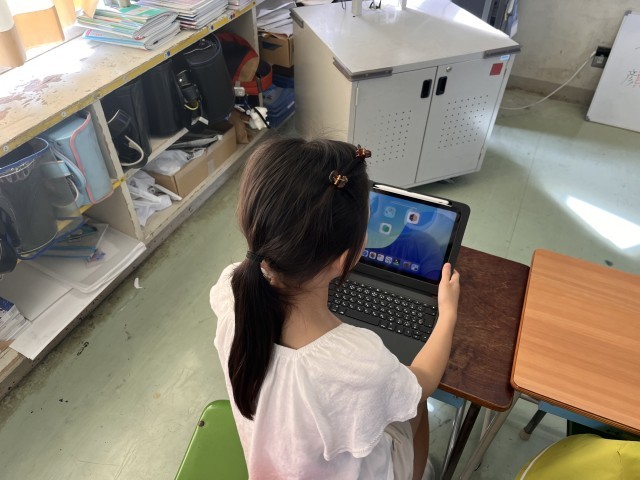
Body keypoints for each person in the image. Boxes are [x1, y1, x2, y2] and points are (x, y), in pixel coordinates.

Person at [210, 138, 460, 480]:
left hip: (274, 461)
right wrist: (448, 314)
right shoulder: (362, 363)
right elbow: (422, 383)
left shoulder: (229, 291)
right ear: (345, 259)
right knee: (414, 409)